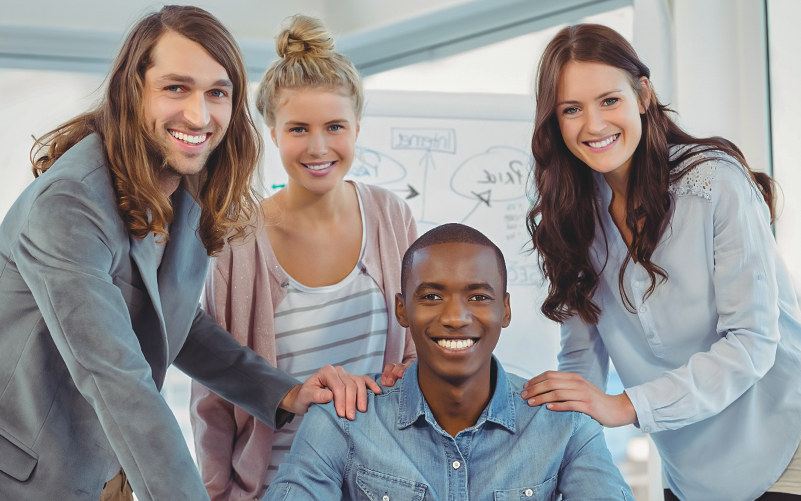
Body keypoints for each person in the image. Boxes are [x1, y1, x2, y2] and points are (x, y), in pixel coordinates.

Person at [0, 7, 381, 501]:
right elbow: (116, 378)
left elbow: (175, 323)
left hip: (113, 471)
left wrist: (282, 392)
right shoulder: (70, 205)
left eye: (216, 93)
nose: (200, 116)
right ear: (132, 90)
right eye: (176, 88)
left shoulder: (185, 184)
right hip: (32, 477)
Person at [521, 24, 801, 501]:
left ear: (643, 94)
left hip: (787, 445)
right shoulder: (573, 218)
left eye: (609, 100)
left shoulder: (715, 182)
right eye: (572, 109)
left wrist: (625, 405)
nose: (593, 124)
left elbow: (752, 342)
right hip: (692, 476)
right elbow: (582, 360)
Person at [189, 14, 417, 501]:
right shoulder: (238, 240)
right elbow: (214, 391)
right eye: (298, 128)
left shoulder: (391, 216)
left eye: (335, 126)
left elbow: (418, 346)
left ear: (357, 126)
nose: (318, 147)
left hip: (381, 483)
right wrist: (217, 494)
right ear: (272, 132)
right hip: (272, 486)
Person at [262, 223, 634, 500]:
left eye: (477, 297)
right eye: (432, 297)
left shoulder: (564, 423)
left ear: (504, 309)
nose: (456, 317)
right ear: (402, 310)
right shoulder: (343, 419)